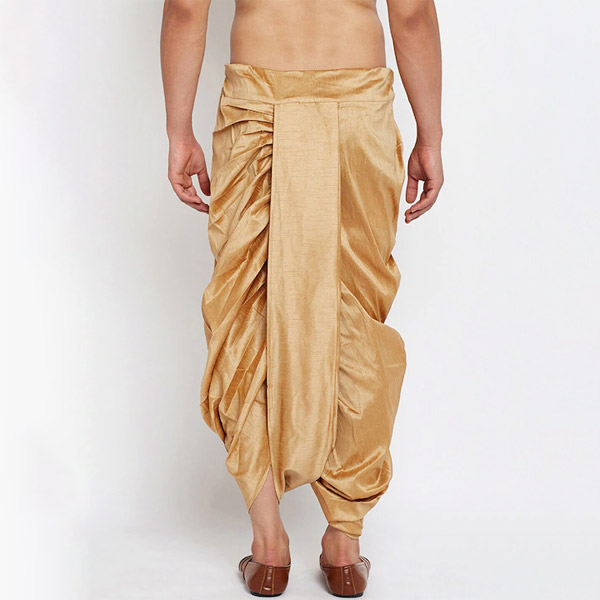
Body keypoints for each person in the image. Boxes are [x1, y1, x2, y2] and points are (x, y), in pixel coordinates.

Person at [160, 0, 443, 596]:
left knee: (246, 313)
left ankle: (268, 547)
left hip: (256, 104)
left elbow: (186, 9)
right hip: (357, 104)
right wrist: (431, 133)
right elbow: (412, 14)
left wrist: (178, 131)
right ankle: (344, 543)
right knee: (355, 312)